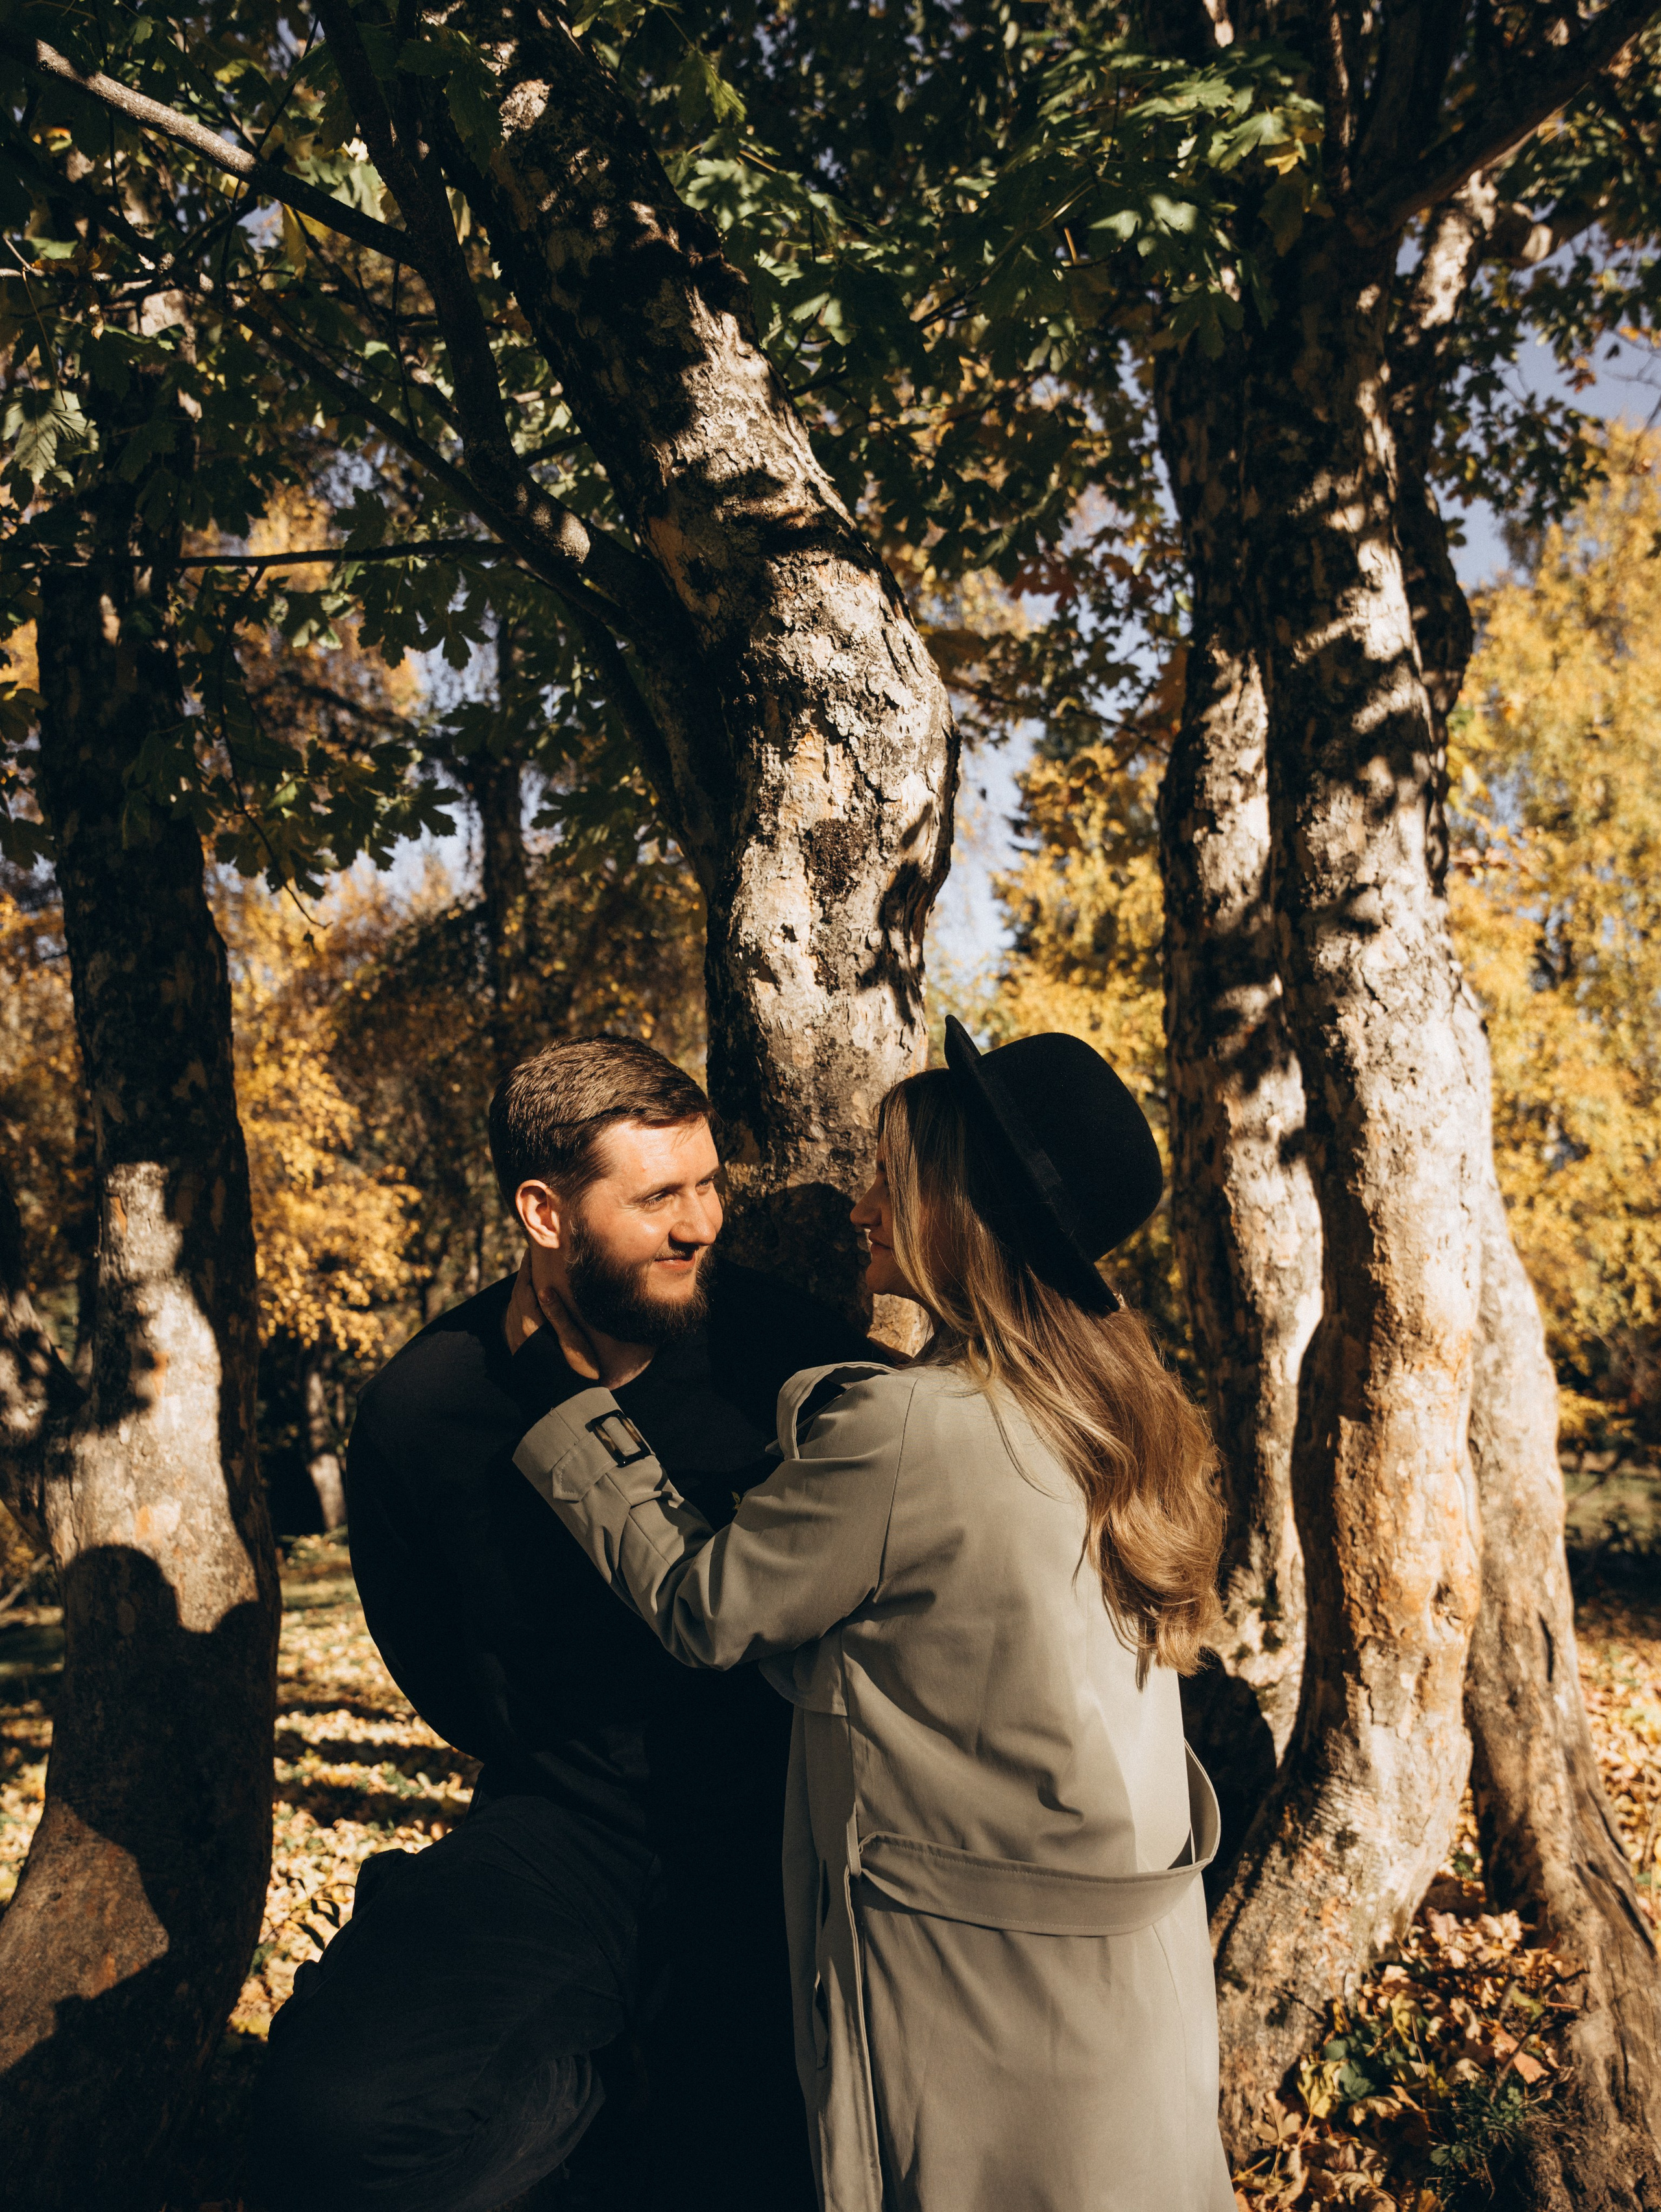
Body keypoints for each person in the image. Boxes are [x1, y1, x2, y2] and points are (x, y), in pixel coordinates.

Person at [507, 1018, 1235, 2211]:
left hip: (978, 1983)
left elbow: (709, 1609)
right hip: (1134, 1973)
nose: (858, 1205)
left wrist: (563, 1408)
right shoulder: (1118, 1398)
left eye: (891, 1179)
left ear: (960, 1209)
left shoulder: (912, 1429)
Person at [249, 1038, 873, 2212]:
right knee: (332, 2122)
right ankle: (566, 2091)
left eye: (708, 1184)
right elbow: (432, 1657)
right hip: (565, 1826)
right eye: (657, 1198)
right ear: (544, 1211)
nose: (700, 1225)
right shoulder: (421, 1406)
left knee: (769, 2164)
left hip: (788, 1828)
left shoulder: (792, 1357)